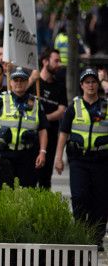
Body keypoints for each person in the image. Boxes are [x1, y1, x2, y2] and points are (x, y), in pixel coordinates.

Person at [54, 68, 108, 250]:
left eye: (94, 82)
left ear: (98, 84)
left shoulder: (106, 106)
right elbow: (63, 133)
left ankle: (96, 237)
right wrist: (58, 158)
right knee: (79, 197)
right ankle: (80, 232)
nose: (91, 85)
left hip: (101, 161)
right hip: (78, 161)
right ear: (82, 85)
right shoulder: (74, 107)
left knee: (100, 200)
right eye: (87, 82)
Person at [0, 67, 48, 188]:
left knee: (27, 193)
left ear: (27, 82)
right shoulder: (0, 100)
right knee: (4, 193)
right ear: (10, 82)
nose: (19, 83)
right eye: (16, 80)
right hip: (4, 154)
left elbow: (42, 129)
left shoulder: (36, 103)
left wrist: (42, 152)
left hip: (27, 155)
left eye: (22, 80)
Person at [37, 48, 67, 189]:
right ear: (45, 61)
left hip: (51, 134)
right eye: (56, 60)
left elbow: (61, 111)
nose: (59, 64)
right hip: (33, 136)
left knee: (45, 177)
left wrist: (43, 119)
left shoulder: (59, 85)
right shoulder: (34, 83)